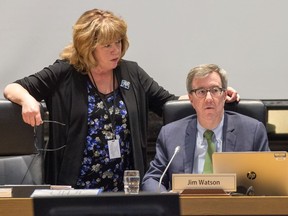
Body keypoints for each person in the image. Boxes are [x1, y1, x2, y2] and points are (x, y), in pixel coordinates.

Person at [3, 9, 239, 192]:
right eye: (107, 45)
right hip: (74, 186)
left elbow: (167, 103)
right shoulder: (64, 73)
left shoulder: (131, 73)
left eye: (118, 42)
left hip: (127, 185)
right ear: (88, 47)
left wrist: (212, 93)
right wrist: (27, 100)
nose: (116, 50)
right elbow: (12, 88)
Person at [142, 63, 270, 192]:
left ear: (224, 95)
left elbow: (268, 179)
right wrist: (167, 201)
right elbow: (152, 179)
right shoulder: (170, 134)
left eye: (215, 90)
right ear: (191, 99)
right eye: (201, 92)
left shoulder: (252, 131)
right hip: (185, 209)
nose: (209, 98)